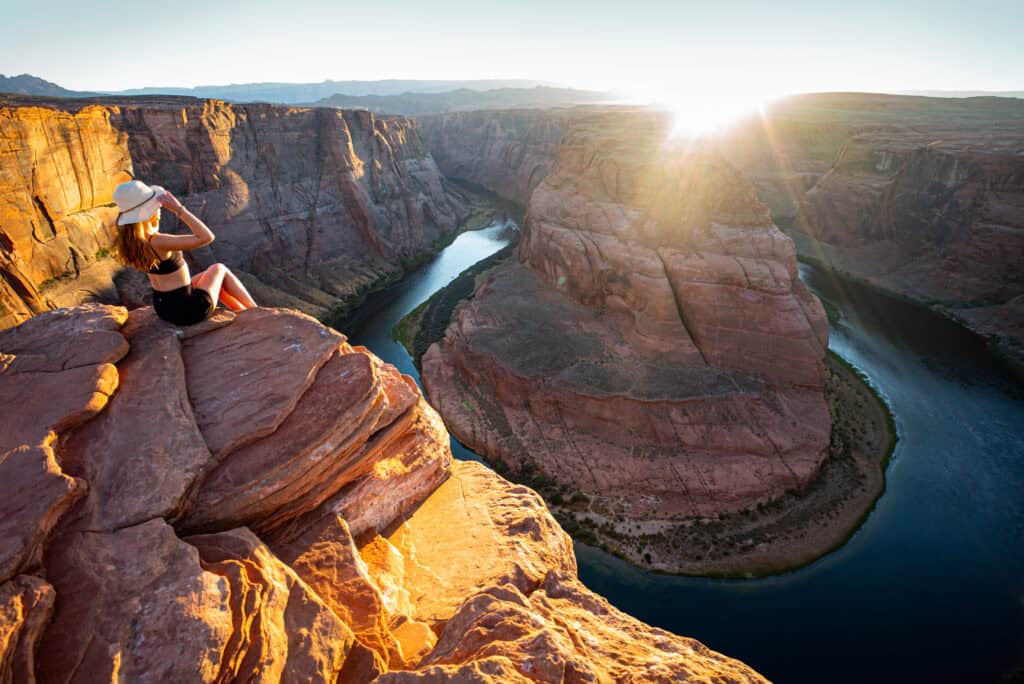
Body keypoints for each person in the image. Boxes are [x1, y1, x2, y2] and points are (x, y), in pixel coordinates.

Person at [112, 179, 257, 325]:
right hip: (188, 310)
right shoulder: (159, 241)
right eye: (156, 206)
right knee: (219, 269)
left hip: (164, 308)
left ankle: (243, 313)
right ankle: (255, 311)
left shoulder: (133, 242)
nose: (159, 208)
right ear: (147, 213)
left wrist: (152, 219)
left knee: (208, 278)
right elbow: (206, 237)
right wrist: (179, 209)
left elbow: (146, 229)